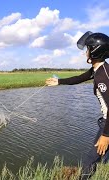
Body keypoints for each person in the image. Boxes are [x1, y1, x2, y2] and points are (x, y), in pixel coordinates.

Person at [45, 31, 109, 179]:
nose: (85, 52)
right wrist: (59, 81)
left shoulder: (103, 76)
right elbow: (80, 78)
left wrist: (106, 135)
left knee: (89, 161)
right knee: (99, 159)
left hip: (108, 126)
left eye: (88, 49)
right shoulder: (99, 68)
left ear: (95, 51)